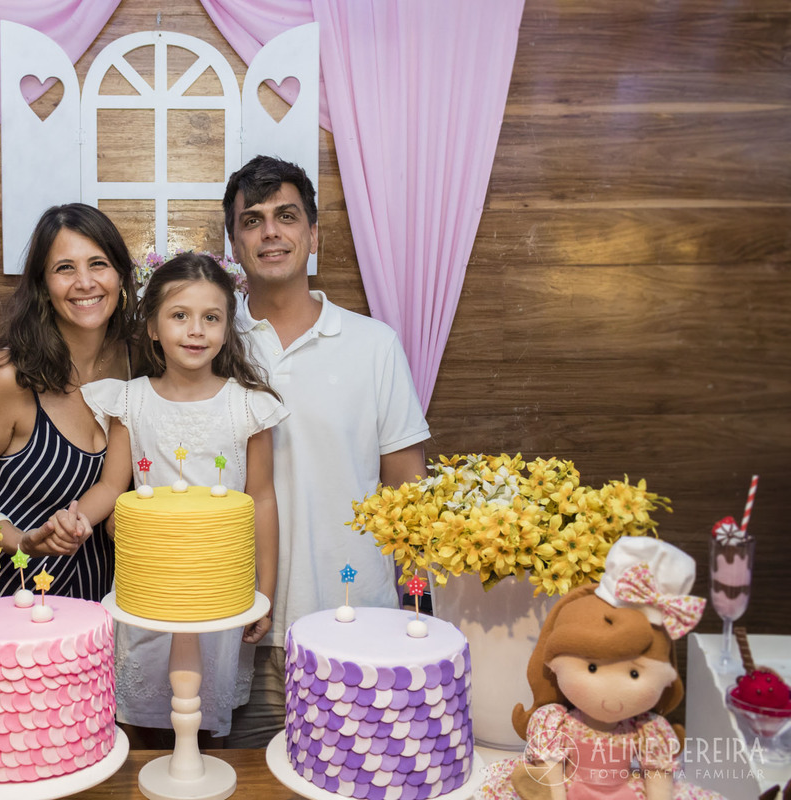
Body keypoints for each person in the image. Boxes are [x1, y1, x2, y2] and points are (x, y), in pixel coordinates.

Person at [222, 155, 431, 747]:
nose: (270, 232)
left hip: (357, 622)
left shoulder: (373, 345)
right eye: (253, 220)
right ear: (234, 242)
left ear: (313, 234)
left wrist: (415, 617)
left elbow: (407, 493)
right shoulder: (207, 342)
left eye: (286, 216)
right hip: (242, 630)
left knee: (358, 779)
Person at [48, 252, 286, 742]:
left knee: (204, 729)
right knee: (139, 727)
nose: (195, 330)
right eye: (180, 316)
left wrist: (265, 593)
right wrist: (76, 520)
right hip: (149, 596)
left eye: (211, 317)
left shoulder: (247, 405)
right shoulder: (130, 400)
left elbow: (261, 499)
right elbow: (112, 488)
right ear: (153, 327)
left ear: (227, 327)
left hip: (219, 597)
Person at [0, 202, 136, 616]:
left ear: (120, 276)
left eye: (98, 263)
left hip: (92, 606)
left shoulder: (139, 365)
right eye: (64, 268)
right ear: (43, 285)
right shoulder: (7, 377)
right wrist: (20, 539)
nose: (84, 282)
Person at [480, 538, 724, 799]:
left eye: (634, 673)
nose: (611, 691)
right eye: (593, 668)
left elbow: (657, 779)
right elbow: (551, 775)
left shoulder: (649, 729)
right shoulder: (557, 722)